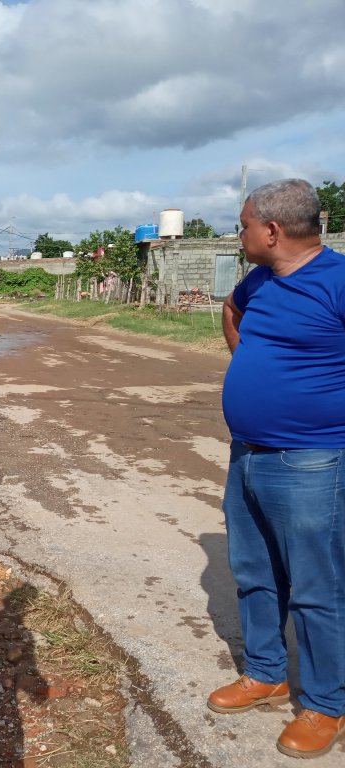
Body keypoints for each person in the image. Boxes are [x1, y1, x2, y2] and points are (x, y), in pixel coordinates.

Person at [209, 178, 345, 759]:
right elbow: (231, 310)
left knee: (318, 587)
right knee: (255, 571)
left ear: (271, 230)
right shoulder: (260, 279)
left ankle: (327, 704)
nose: (239, 234)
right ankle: (266, 672)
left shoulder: (337, 281)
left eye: (243, 225)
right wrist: (255, 369)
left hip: (313, 460)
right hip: (247, 453)